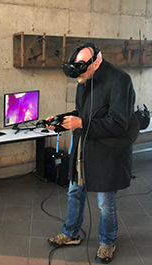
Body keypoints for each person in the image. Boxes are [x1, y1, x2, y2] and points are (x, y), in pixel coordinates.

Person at [46, 43, 136, 264]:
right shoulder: (84, 78)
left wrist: (80, 122)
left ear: (96, 61)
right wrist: (61, 121)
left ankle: (107, 242)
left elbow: (118, 123)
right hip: (82, 148)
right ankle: (71, 233)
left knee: (105, 201)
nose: (80, 75)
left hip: (107, 152)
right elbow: (82, 113)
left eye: (83, 69)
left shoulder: (119, 80)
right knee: (74, 192)